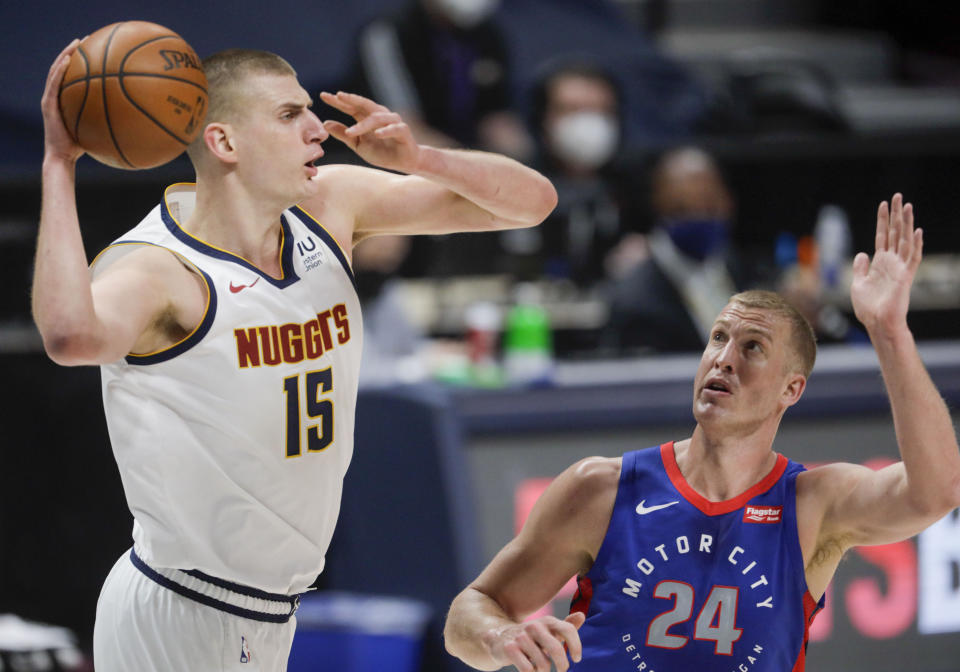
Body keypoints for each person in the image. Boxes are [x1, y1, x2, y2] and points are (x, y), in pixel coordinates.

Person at [34, 41, 556, 671]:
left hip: (269, 608)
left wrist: (419, 157)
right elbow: (69, 340)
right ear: (225, 143)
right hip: (182, 610)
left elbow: (532, 204)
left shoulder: (329, 206)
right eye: (288, 115)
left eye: (309, 109)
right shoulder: (159, 269)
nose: (317, 130)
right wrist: (58, 165)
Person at [444, 194, 960, 671]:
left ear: (792, 390)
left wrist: (890, 332)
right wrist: (499, 638)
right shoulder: (600, 488)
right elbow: (471, 611)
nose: (724, 359)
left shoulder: (813, 504)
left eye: (752, 347)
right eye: (718, 338)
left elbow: (935, 492)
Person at [605, 146, 773, 352]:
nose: (699, 217)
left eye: (709, 207)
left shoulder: (736, 265)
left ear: (729, 202)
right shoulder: (635, 303)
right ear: (658, 208)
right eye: (682, 210)